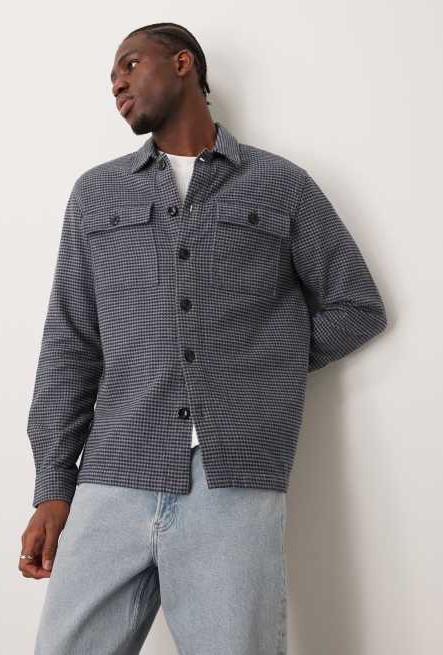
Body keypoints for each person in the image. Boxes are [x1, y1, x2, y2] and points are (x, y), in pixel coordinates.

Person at [20, 21, 388, 655]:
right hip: (114, 469)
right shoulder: (97, 194)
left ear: (183, 63)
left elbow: (356, 305)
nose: (117, 83)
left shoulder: (281, 185)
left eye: (131, 64)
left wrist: (261, 364)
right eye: (112, 76)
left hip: (234, 481)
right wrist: (53, 486)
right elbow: (70, 341)